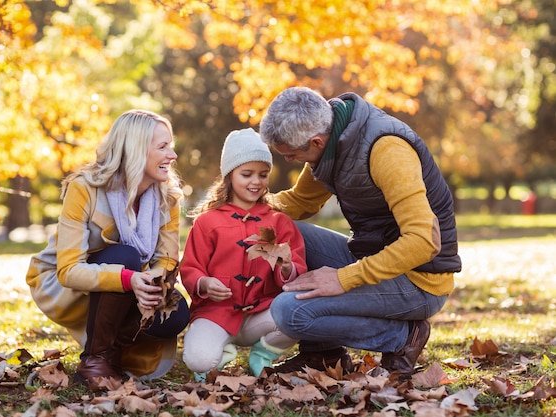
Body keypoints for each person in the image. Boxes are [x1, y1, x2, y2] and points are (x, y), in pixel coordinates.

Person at [258, 86, 462, 379]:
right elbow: (300, 201)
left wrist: (344, 278)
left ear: (315, 141)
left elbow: (423, 241)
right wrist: (241, 207)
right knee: (284, 233)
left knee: (290, 312)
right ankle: (322, 355)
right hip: (374, 257)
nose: (289, 161)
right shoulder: (330, 146)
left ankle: (402, 336)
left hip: (420, 279)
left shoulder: (386, 150)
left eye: (292, 155)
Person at [26, 110, 190, 390]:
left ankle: (112, 349)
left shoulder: (169, 197)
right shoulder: (86, 188)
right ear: (136, 150)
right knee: (124, 256)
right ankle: (95, 359)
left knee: (176, 312)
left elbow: (166, 259)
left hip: (127, 285)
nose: (172, 155)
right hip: (65, 285)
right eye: (162, 147)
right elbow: (68, 270)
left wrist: (150, 285)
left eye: (170, 146)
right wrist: (129, 279)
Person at [180, 128, 307, 379]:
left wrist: (287, 268)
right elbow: (190, 268)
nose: (256, 182)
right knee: (199, 360)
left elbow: (297, 267)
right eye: (246, 174)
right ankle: (221, 350)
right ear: (229, 175)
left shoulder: (279, 222)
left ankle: (263, 353)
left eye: (263, 175)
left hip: (262, 312)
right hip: (217, 313)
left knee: (298, 314)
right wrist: (204, 283)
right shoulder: (208, 222)